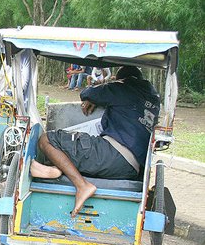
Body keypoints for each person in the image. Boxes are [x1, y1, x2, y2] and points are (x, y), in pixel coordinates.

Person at [30, 66, 160, 217]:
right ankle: (56, 169)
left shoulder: (122, 88)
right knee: (73, 149)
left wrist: (96, 95)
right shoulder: (153, 99)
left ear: (121, 79)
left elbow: (87, 93)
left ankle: (82, 186)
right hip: (132, 168)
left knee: (47, 139)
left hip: (111, 155)